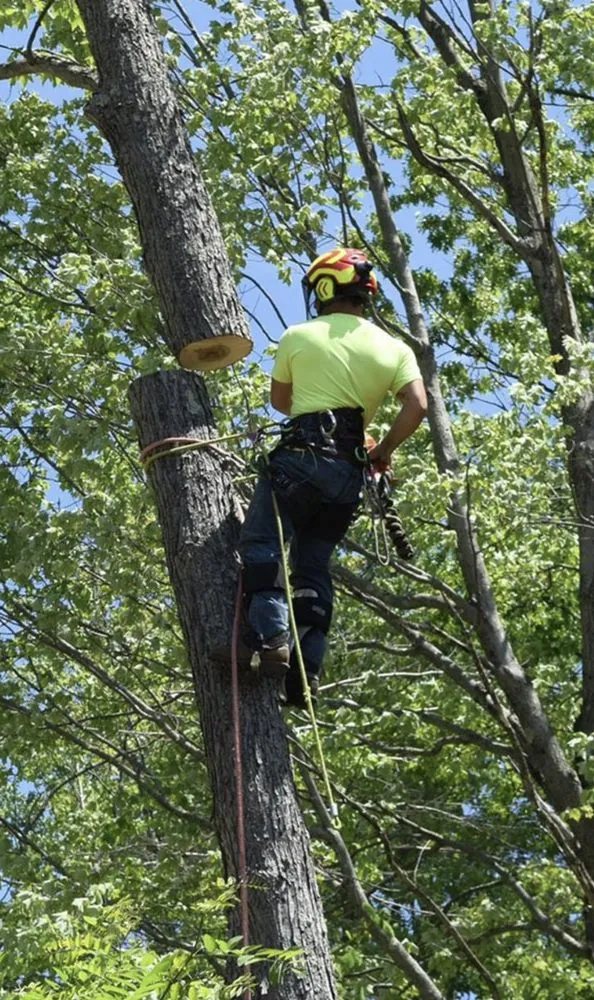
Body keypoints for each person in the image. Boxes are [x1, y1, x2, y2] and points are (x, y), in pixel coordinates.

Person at [238, 248, 427, 707]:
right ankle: (307, 669)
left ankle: (271, 639)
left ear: (325, 288)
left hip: (301, 460)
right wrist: (381, 450)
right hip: (348, 478)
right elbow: (417, 405)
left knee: (262, 543)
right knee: (313, 564)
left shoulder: (299, 336)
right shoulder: (394, 348)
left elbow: (282, 402)